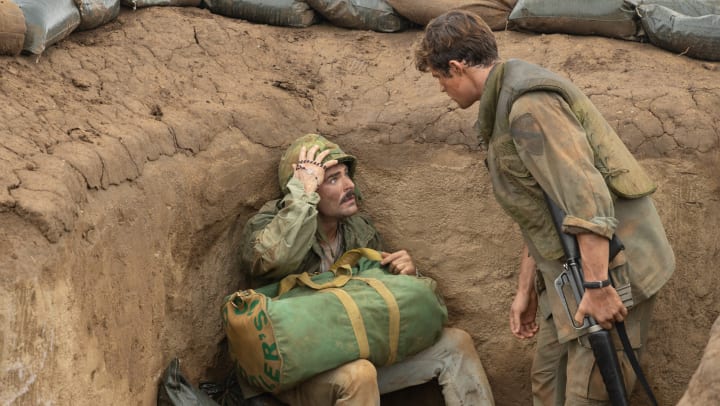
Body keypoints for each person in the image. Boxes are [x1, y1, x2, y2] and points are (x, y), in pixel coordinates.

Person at [414, 10, 675, 405]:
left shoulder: (528, 107)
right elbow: (542, 206)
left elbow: (585, 199)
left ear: (456, 67)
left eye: (439, 78)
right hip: (568, 274)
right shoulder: (504, 102)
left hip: (610, 269)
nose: (441, 90)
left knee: (590, 391)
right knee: (548, 381)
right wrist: (527, 289)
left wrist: (598, 287)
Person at [237, 133, 495, 406]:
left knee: (456, 344)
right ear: (303, 186)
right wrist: (302, 198)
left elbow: (379, 303)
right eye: (332, 179)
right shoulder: (268, 225)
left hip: (350, 353)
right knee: (360, 374)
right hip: (292, 373)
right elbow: (275, 259)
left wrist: (406, 277)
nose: (349, 185)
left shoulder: (358, 231)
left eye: (346, 175)